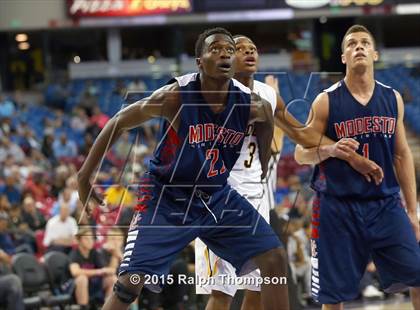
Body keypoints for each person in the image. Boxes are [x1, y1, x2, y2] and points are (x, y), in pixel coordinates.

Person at [78, 27, 381, 310]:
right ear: (200, 61)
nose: (224, 54)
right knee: (130, 285)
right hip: (166, 197)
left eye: (228, 49)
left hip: (216, 197)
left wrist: (262, 161)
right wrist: (84, 175)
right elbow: (119, 121)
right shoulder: (177, 96)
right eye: (216, 49)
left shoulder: (252, 103)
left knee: (274, 260)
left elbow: (265, 124)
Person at [294, 24, 420, 310]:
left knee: (418, 273)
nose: (359, 47)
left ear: (375, 54)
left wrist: (412, 212)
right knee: (332, 296)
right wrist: (331, 150)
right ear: (343, 57)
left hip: (385, 205)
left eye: (365, 42)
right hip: (338, 207)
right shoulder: (326, 100)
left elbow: (402, 155)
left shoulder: (392, 99)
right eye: (351, 44)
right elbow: (302, 154)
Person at [194, 34, 284, 310]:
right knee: (223, 290)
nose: (249, 53)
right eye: (240, 49)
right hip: (220, 199)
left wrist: (328, 148)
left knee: (256, 286)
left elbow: (297, 132)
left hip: (256, 199)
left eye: (253, 49)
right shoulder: (214, 92)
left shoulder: (267, 95)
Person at [69, 228, 117, 309]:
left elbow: (109, 270)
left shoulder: (94, 253)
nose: (90, 240)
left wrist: (115, 253)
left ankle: (107, 307)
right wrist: (99, 271)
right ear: (79, 240)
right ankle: (84, 308)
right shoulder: (74, 254)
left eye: (91, 238)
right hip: (76, 288)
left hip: (93, 285)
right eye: (86, 238)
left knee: (112, 278)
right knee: (82, 279)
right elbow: (75, 272)